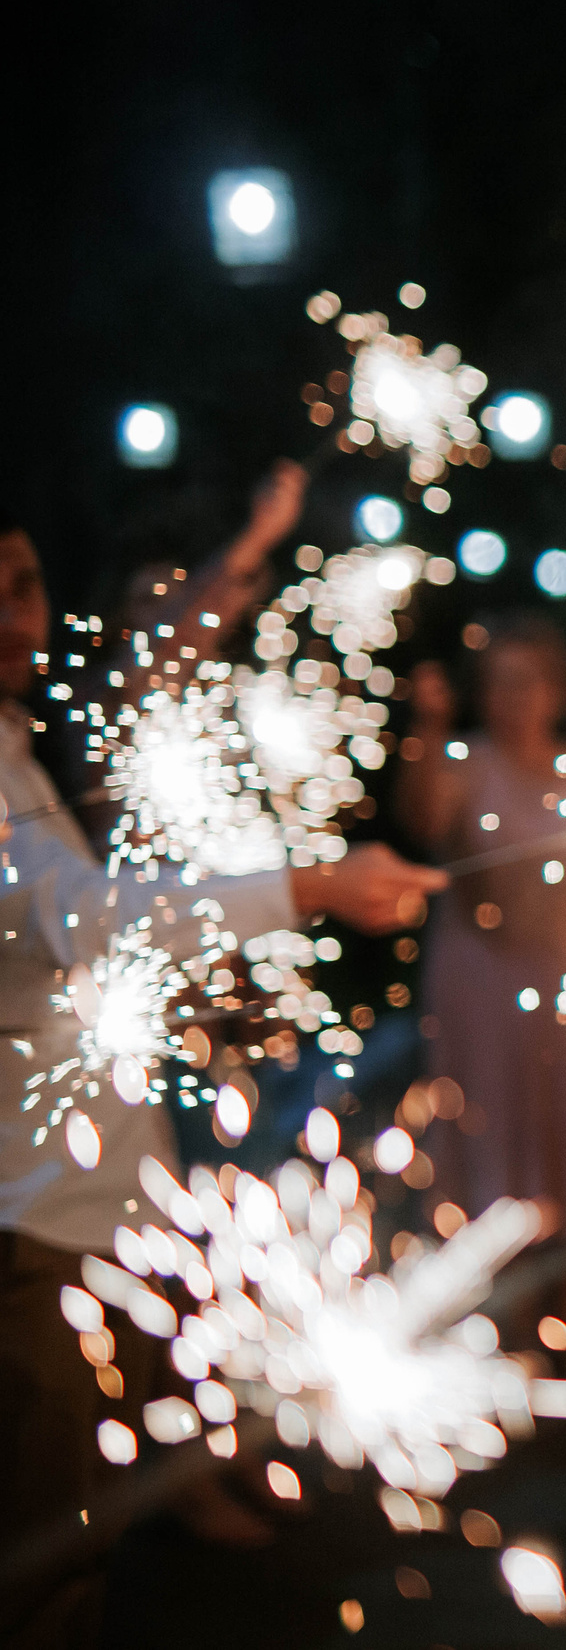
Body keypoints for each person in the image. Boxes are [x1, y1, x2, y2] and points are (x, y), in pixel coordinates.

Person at [0, 515, 445, 1647]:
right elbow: (87, 921)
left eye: (24, 583)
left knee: (81, 1547)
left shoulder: (19, 746)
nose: (14, 617)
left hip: (94, 1210)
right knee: (41, 1565)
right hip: (32, 1224)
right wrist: (315, 887)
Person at [397, 618, 566, 1391]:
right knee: (496, 1147)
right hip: (481, 986)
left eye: (528, 679)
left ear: (557, 688)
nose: (514, 697)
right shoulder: (464, 762)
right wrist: (427, 726)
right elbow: (425, 819)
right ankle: (506, 1338)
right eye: (499, 681)